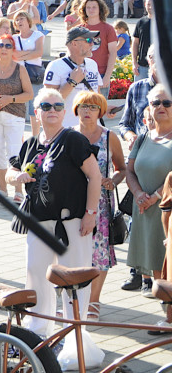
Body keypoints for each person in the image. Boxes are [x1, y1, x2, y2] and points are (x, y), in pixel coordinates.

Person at [7, 88, 102, 337]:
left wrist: (91, 213)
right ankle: (37, 333)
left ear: (63, 112)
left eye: (58, 107)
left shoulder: (73, 140)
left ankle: (75, 338)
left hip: (72, 223)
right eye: (46, 107)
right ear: (36, 113)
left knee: (73, 282)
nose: (52, 111)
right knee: (36, 275)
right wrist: (15, 176)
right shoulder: (30, 143)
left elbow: (95, 176)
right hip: (38, 222)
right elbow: (11, 170)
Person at [70, 91, 126, 321]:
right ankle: (75, 300)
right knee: (73, 250)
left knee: (100, 253)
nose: (87, 111)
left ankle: (93, 301)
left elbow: (122, 168)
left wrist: (113, 181)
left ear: (101, 111)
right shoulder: (68, 135)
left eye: (92, 107)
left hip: (101, 204)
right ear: (75, 110)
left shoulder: (109, 136)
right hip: (72, 201)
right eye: (82, 106)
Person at [125, 84, 172, 302]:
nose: (161, 106)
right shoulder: (144, 136)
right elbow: (130, 170)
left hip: (166, 212)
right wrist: (137, 194)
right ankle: (166, 313)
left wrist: (155, 196)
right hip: (144, 210)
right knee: (155, 264)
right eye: (156, 103)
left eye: (167, 103)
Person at [0, 34, 32, 200]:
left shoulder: (20, 69)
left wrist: (10, 98)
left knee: (14, 152)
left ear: (13, 50)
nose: (4, 49)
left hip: (15, 115)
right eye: (1, 45)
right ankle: (2, 190)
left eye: (8, 46)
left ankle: (18, 191)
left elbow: (29, 94)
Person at [44, 27, 102, 128]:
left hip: (93, 128)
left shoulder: (92, 64)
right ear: (74, 43)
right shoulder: (55, 66)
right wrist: (72, 82)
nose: (92, 44)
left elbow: (97, 94)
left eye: (93, 40)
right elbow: (49, 102)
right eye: (88, 40)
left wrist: (106, 109)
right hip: (68, 128)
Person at [75, 0, 119, 94]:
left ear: (100, 9)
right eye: (88, 7)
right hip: (82, 73)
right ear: (84, 10)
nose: (91, 10)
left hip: (101, 73)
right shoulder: (79, 29)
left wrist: (107, 76)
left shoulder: (108, 29)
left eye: (94, 7)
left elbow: (113, 53)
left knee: (100, 107)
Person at [132, 0, 154, 79]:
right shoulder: (140, 22)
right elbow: (135, 43)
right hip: (142, 66)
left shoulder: (164, 22)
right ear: (145, 5)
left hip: (160, 66)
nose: (150, 7)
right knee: (139, 91)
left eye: (153, 4)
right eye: (148, 4)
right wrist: (134, 62)